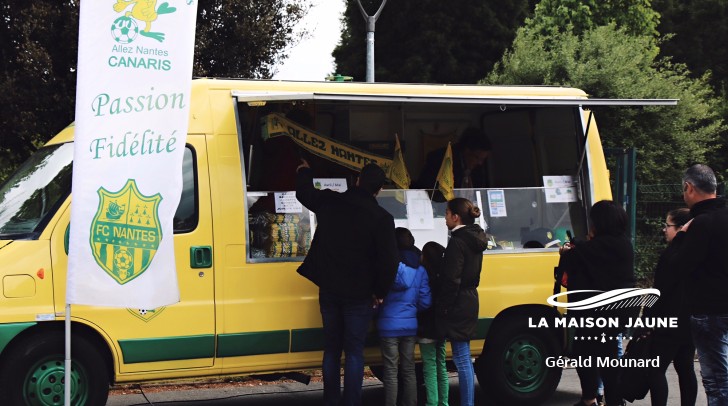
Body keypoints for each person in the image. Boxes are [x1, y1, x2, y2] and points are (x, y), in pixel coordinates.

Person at [295, 159, 399, 406]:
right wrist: (380, 291)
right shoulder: (382, 218)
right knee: (354, 352)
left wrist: (304, 171)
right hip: (360, 294)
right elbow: (389, 261)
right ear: (379, 190)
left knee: (331, 349)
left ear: (357, 180)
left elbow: (304, 193)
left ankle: (331, 400)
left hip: (329, 289)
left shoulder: (331, 201)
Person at [557, 200, 635, 406]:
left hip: (595, 315)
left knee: (585, 355)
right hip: (616, 315)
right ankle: (610, 401)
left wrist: (566, 252)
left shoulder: (595, 248)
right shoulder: (624, 244)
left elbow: (573, 260)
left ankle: (591, 399)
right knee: (607, 356)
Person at [668, 164, 728, 406]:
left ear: (689, 187)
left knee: (716, 379)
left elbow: (678, 266)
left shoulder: (700, 224)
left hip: (708, 309)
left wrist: (681, 234)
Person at [437, 197, 488, 406]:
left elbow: (451, 279)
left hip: (457, 301)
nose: (445, 218)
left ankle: (467, 403)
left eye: (447, 213)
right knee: (464, 356)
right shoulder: (475, 238)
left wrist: (443, 306)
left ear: (456, 217)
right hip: (470, 298)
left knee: (461, 358)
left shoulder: (457, 242)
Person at [644, 208, 697, 406]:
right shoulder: (695, 252)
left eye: (668, 226)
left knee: (656, 368)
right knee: (685, 367)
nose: (665, 230)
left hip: (669, 320)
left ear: (680, 228)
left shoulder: (671, 254)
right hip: (689, 319)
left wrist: (648, 320)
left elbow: (660, 290)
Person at [377, 227, 432, 406]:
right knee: (409, 369)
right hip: (409, 327)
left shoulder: (386, 267)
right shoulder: (421, 270)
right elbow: (425, 301)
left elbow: (377, 297)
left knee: (391, 371)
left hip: (388, 327)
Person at [419, 241, 450, 406]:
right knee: (441, 366)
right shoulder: (444, 276)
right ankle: (444, 403)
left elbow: (423, 302)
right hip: (441, 327)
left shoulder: (423, 274)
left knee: (429, 367)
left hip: (426, 327)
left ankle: (432, 403)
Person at [414, 127, 492, 190]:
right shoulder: (439, 160)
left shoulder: (477, 167)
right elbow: (428, 189)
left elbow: (480, 189)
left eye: (483, 159)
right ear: (467, 151)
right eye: (477, 158)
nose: (480, 163)